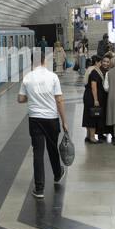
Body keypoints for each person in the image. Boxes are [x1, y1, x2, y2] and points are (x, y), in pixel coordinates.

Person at [18, 50, 69, 199]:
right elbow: (59, 99)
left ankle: (39, 188)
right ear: (44, 61)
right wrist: (64, 121)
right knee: (52, 148)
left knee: (38, 153)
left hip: (35, 119)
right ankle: (57, 174)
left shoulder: (27, 78)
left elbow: (20, 99)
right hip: (51, 119)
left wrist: (33, 97)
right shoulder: (52, 77)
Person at [82, 54, 107, 143]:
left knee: (88, 116)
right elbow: (94, 86)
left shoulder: (89, 70)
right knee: (92, 116)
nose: (101, 64)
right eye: (100, 62)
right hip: (92, 97)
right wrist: (96, 99)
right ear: (96, 62)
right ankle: (92, 137)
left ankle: (88, 136)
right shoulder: (94, 72)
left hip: (87, 96)